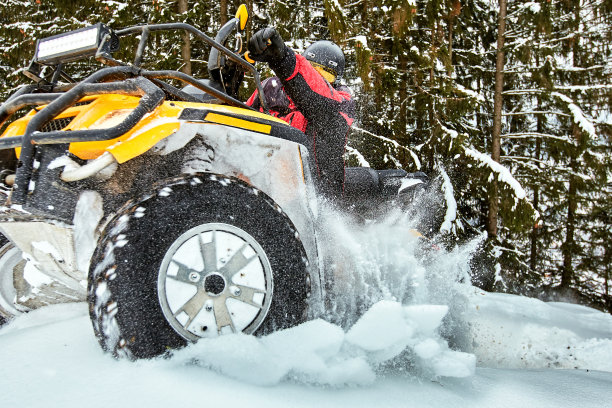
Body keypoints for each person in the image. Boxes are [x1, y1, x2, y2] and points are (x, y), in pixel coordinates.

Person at [246, 27, 355, 198]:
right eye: (313, 69)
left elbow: (318, 98)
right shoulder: (270, 88)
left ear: (337, 80)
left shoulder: (342, 102)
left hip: (315, 195)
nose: (318, 77)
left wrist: (284, 59)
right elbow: (242, 118)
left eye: (326, 74)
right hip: (265, 183)